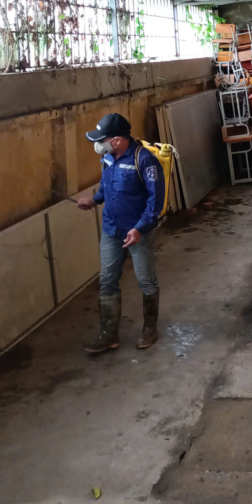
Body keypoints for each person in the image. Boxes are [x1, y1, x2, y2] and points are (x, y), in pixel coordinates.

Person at [76, 112, 164, 354]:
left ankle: (150, 330)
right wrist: (94, 200)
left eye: (101, 139)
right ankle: (108, 335)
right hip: (111, 230)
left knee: (146, 282)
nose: (98, 144)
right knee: (107, 281)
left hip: (137, 234)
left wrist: (140, 228)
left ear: (116, 140)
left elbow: (156, 201)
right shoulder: (107, 157)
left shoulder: (144, 160)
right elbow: (106, 185)